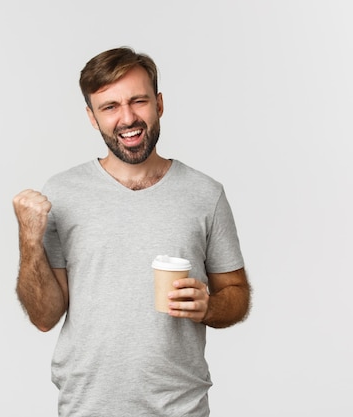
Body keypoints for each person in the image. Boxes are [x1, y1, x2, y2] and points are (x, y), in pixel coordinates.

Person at [13, 47, 251, 417]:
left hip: (179, 407)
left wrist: (209, 306)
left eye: (138, 101)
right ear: (92, 118)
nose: (127, 118)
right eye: (109, 107)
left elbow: (236, 294)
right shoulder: (62, 192)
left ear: (158, 104)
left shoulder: (205, 194)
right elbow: (45, 316)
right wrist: (29, 239)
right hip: (87, 406)